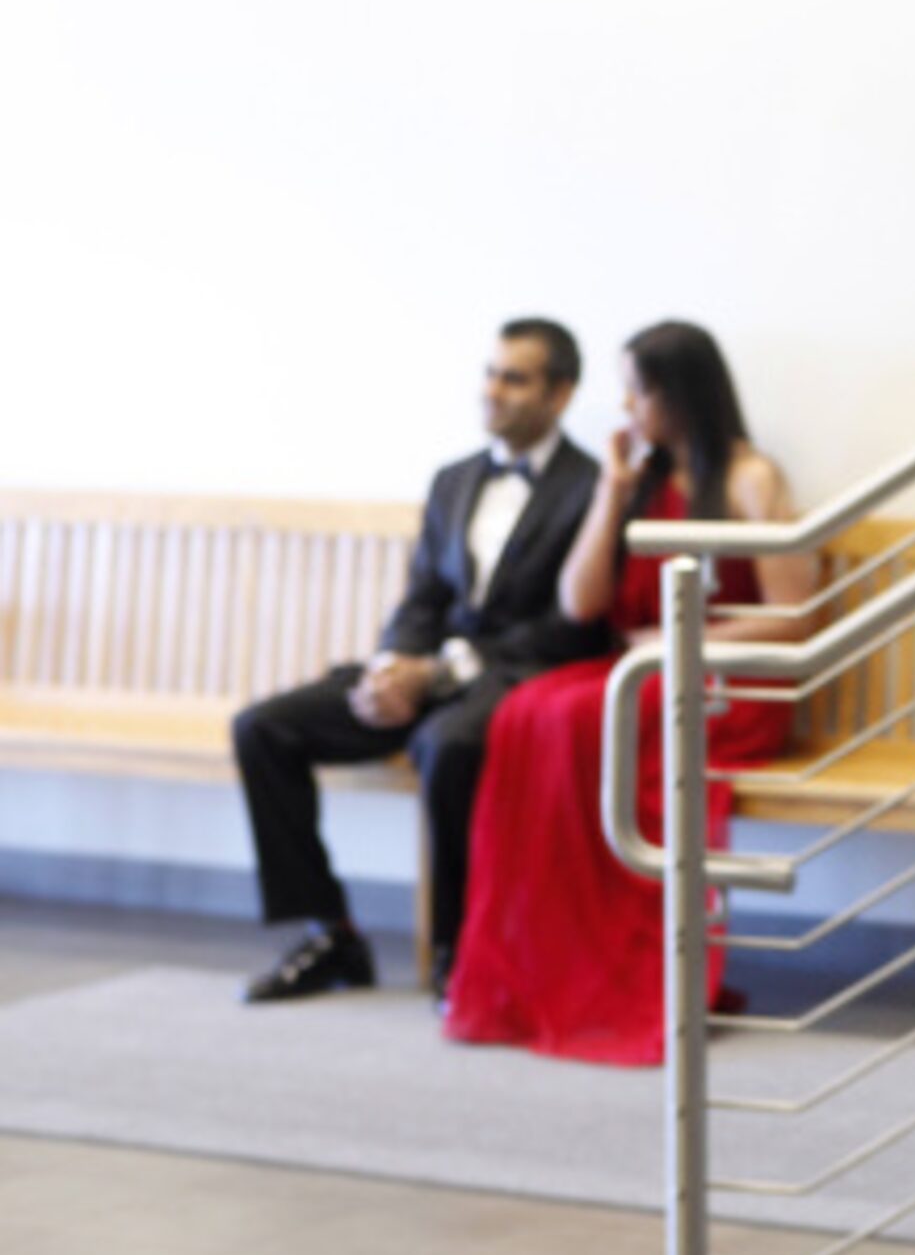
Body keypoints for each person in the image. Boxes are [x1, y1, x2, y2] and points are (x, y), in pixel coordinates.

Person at [440, 319, 817, 1066]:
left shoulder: (749, 477)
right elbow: (582, 603)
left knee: (585, 712)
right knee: (527, 711)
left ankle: (635, 969)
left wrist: (686, 641)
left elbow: (793, 615)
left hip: (723, 686)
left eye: (638, 391)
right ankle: (554, 958)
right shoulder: (636, 480)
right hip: (646, 670)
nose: (627, 408)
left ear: (681, 395)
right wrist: (612, 493)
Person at [232, 319, 607, 1004]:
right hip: (427, 673)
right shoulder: (454, 479)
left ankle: (456, 953)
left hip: (512, 680)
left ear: (560, 394)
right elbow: (422, 596)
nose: (491, 391)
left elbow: (569, 628)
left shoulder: (592, 488)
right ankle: (330, 935)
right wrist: (391, 667)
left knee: (448, 746)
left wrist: (440, 673)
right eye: (489, 373)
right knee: (261, 727)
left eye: (514, 378)